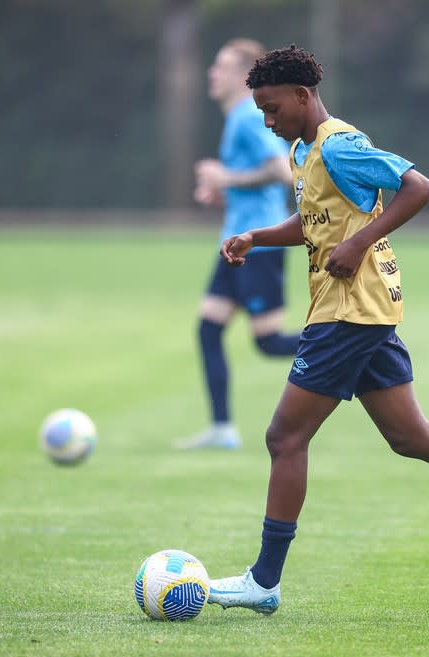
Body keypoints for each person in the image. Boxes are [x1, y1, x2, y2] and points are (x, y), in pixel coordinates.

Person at [206, 45, 429, 614]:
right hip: (364, 309)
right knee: (411, 437)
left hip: (348, 312)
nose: (268, 121)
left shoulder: (341, 145)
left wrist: (357, 243)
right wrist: (257, 237)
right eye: (262, 111)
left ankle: (264, 581)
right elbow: (314, 225)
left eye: (273, 108)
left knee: (285, 438)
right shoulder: (304, 150)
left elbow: (419, 187)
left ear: (303, 96)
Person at [175, 38, 301, 451]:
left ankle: (351, 344)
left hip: (259, 247)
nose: (212, 73)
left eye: (221, 66)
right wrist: (223, 191)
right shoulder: (236, 119)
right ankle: (222, 428)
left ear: (242, 77)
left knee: (267, 342)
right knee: (208, 329)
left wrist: (226, 178)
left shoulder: (249, 117)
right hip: (233, 246)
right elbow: (254, 179)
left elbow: (282, 170)